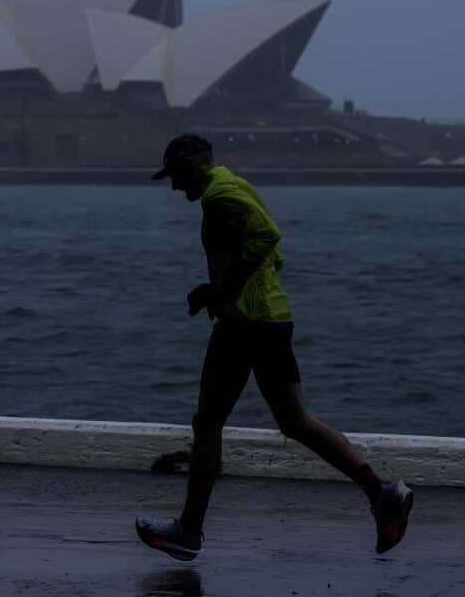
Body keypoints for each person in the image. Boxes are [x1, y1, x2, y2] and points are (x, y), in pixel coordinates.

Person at [135, 133, 413, 561]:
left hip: (244, 325)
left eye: (175, 175)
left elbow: (268, 236)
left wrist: (221, 291)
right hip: (271, 318)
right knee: (295, 421)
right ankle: (382, 493)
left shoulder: (220, 195)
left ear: (193, 163)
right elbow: (271, 257)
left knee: (207, 423)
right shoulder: (235, 183)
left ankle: (189, 530)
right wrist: (227, 291)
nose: (174, 186)